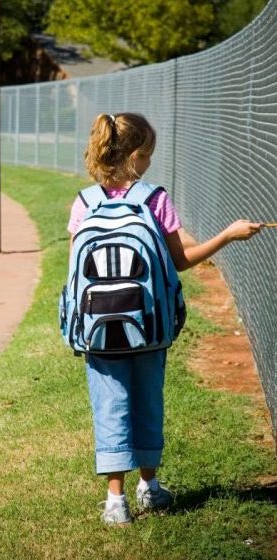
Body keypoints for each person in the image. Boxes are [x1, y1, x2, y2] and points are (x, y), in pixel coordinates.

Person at [67, 112, 263, 526]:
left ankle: (115, 501)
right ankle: (150, 488)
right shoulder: (154, 199)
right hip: (148, 327)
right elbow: (179, 261)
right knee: (147, 400)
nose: (151, 163)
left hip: (98, 331)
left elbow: (75, 272)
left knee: (109, 404)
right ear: (137, 157)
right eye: (149, 155)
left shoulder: (84, 202)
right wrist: (228, 234)